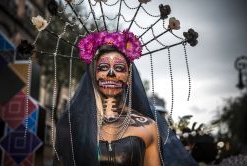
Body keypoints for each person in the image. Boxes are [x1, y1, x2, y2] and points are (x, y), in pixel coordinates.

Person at [54, 31, 197, 166]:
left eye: (119, 68)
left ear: (128, 77)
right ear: (94, 75)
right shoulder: (72, 124)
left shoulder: (147, 127)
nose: (111, 73)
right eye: (103, 67)